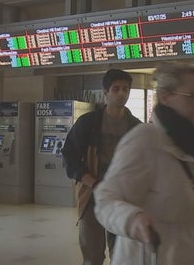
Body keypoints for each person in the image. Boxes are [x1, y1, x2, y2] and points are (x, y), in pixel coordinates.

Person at [94, 62, 194, 264]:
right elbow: (105, 199)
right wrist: (132, 219)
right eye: (192, 96)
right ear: (165, 96)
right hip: (151, 256)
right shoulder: (145, 139)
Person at [62, 69, 142, 265]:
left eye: (125, 89)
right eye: (116, 89)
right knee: (93, 254)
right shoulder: (88, 123)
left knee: (123, 255)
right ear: (105, 92)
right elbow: (69, 157)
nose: (122, 93)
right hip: (93, 198)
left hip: (123, 198)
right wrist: (92, 182)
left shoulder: (136, 127)